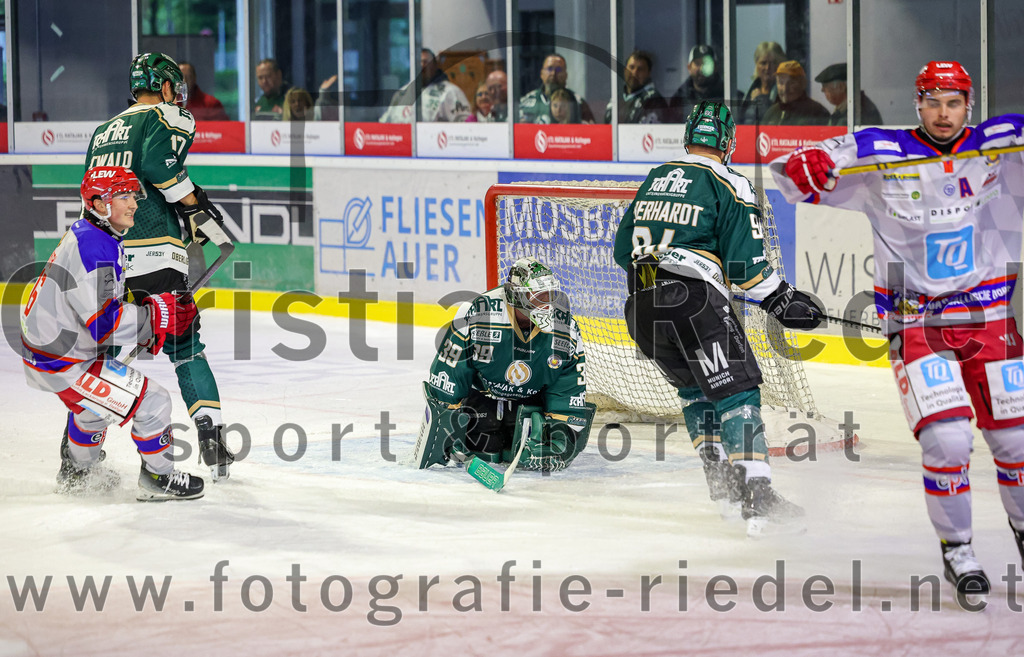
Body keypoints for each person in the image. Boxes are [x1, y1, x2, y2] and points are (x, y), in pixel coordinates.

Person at [770, 61, 1024, 600]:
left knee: (1016, 439)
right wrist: (805, 166)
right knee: (948, 439)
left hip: (991, 320)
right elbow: (793, 171)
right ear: (918, 103)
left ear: (969, 106)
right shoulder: (881, 153)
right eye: (933, 101)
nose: (943, 113)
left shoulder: (1000, 148)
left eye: (954, 103)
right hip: (917, 324)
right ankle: (958, 549)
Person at [614, 100, 822, 538]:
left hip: (641, 308)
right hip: (693, 302)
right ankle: (759, 494)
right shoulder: (729, 181)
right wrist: (783, 301)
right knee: (738, 391)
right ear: (728, 143)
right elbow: (747, 268)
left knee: (695, 390)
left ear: (687, 138)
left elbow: (621, 251)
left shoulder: (656, 179)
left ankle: (724, 488)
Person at [85, 52, 235, 481]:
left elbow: (92, 195)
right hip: (156, 252)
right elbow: (159, 168)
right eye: (175, 88)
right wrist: (195, 204)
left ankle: (79, 451)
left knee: (105, 356)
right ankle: (213, 442)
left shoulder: (101, 132)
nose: (178, 97)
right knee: (186, 346)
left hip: (108, 254)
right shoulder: (167, 115)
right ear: (165, 87)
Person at [21, 166, 204, 501]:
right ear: (99, 204)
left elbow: (95, 310)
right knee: (153, 401)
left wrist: (146, 323)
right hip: (63, 361)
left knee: (95, 408)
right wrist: (156, 315)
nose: (133, 203)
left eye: (133, 195)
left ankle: (77, 472)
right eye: (122, 196)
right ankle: (157, 478)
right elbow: (104, 323)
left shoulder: (94, 235)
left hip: (54, 353)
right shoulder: (96, 248)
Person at [414, 257, 595, 473]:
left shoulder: (566, 329)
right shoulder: (479, 314)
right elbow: (449, 372)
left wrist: (561, 439)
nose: (545, 304)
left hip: (532, 405)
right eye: (536, 297)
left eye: (549, 296)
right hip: (482, 400)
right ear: (515, 296)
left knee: (526, 452)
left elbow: (568, 385)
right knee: (485, 446)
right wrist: (446, 427)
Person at [379, 49, 470, 123]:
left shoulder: (450, 92)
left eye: (426, 62)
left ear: (435, 65)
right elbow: (385, 123)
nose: (422, 65)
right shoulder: (402, 93)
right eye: (418, 62)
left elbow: (465, 126)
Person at [518, 53, 595, 124]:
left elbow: (590, 133)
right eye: (549, 69)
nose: (553, 73)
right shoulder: (527, 101)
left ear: (566, 75)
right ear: (541, 74)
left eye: (559, 70)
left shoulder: (577, 102)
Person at [604, 50, 666, 124]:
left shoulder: (653, 99)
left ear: (648, 73)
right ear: (625, 70)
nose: (634, 72)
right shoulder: (617, 96)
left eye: (640, 69)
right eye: (631, 67)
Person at [814, 62, 883, 127]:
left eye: (825, 86)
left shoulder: (859, 110)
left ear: (841, 87)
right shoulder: (849, 107)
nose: (822, 90)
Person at [762, 61, 829, 126]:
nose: (785, 89)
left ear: (802, 84)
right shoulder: (771, 113)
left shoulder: (817, 112)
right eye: (781, 83)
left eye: (791, 83)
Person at [670, 45, 725, 123]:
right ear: (689, 67)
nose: (702, 68)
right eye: (697, 63)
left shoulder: (728, 94)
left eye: (707, 63)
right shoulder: (678, 99)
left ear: (715, 67)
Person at [737, 41, 786, 124]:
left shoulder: (786, 93)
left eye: (773, 63)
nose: (767, 68)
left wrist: (761, 99)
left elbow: (777, 121)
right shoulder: (749, 92)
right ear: (756, 65)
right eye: (763, 63)